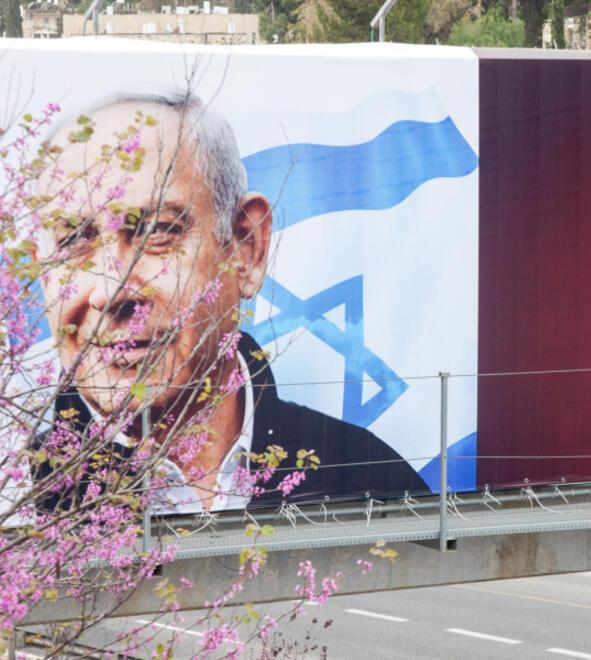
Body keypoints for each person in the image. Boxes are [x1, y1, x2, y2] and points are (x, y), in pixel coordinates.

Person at [34, 92, 427, 512]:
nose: (110, 291)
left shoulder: (366, 479)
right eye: (74, 241)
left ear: (245, 249)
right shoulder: (15, 499)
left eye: (157, 232)